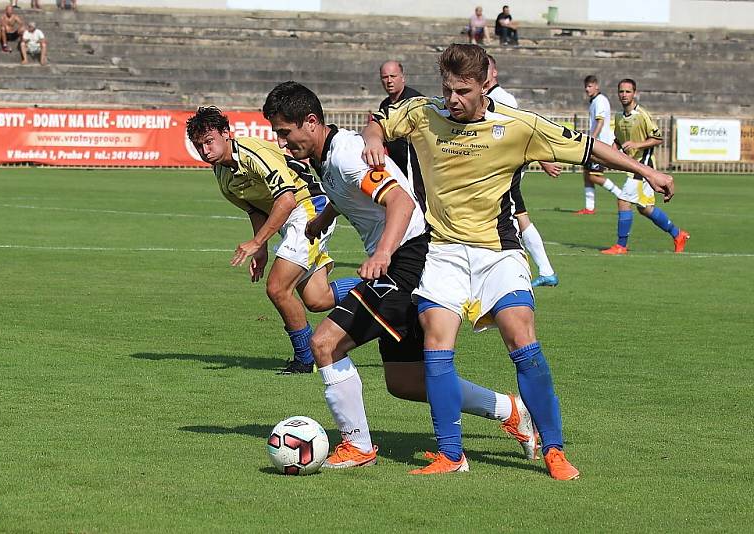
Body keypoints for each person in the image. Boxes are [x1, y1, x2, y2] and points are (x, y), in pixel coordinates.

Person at [363, 44, 675, 478]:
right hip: (445, 252)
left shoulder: (519, 126)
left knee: (521, 338)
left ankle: (554, 449)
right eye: (448, 89)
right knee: (436, 345)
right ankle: (452, 456)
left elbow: (590, 148)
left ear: (485, 86)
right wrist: (374, 141)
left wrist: (648, 173)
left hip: (498, 252)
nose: (453, 99)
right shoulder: (422, 111)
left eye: (463, 91)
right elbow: (378, 120)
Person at [263, 81, 539, 469]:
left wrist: (382, 253)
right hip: (405, 259)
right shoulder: (326, 157)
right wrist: (321, 220)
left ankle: (357, 447)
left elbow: (401, 201)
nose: (282, 142)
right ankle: (509, 410)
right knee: (406, 383)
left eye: (285, 133)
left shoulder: (347, 155)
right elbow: (346, 195)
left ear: (311, 122)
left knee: (325, 344)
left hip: (407, 260)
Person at [186, 106, 360, 374]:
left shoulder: (252, 152)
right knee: (317, 299)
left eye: (209, 142)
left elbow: (287, 199)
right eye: (199, 146)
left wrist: (256, 242)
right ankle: (380, 285)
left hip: (309, 209)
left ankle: (305, 359)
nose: (205, 150)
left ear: (226, 133)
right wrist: (261, 249)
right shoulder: (222, 174)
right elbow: (255, 209)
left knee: (277, 288)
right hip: (289, 218)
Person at [485, 53, 560, 287]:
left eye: (485, 68)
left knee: (515, 215)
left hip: (506, 168)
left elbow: (522, 130)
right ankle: (543, 270)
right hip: (493, 167)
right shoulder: (485, 97)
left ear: (494, 72)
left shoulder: (502, 98)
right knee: (516, 215)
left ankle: (530, 270)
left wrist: (542, 157)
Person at [601, 79, 690, 255]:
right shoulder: (619, 116)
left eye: (628, 91)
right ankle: (678, 234)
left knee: (623, 200)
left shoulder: (642, 115)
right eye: (621, 91)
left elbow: (658, 138)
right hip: (633, 167)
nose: (624, 95)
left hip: (644, 167)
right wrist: (610, 154)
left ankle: (621, 246)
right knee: (645, 209)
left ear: (634, 93)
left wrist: (637, 144)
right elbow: (618, 140)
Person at [378, 60, 425, 207]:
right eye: (385, 77)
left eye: (393, 76)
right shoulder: (384, 105)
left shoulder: (416, 101)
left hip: (416, 171)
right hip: (397, 168)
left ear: (403, 77)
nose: (389, 81)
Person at [576, 75, 624, 215]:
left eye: (590, 86)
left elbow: (600, 122)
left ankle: (621, 195)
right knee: (587, 174)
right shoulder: (594, 101)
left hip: (600, 143)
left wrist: (592, 140)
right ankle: (589, 208)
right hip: (596, 142)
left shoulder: (600, 101)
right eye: (586, 86)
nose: (587, 89)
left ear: (597, 86)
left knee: (594, 175)